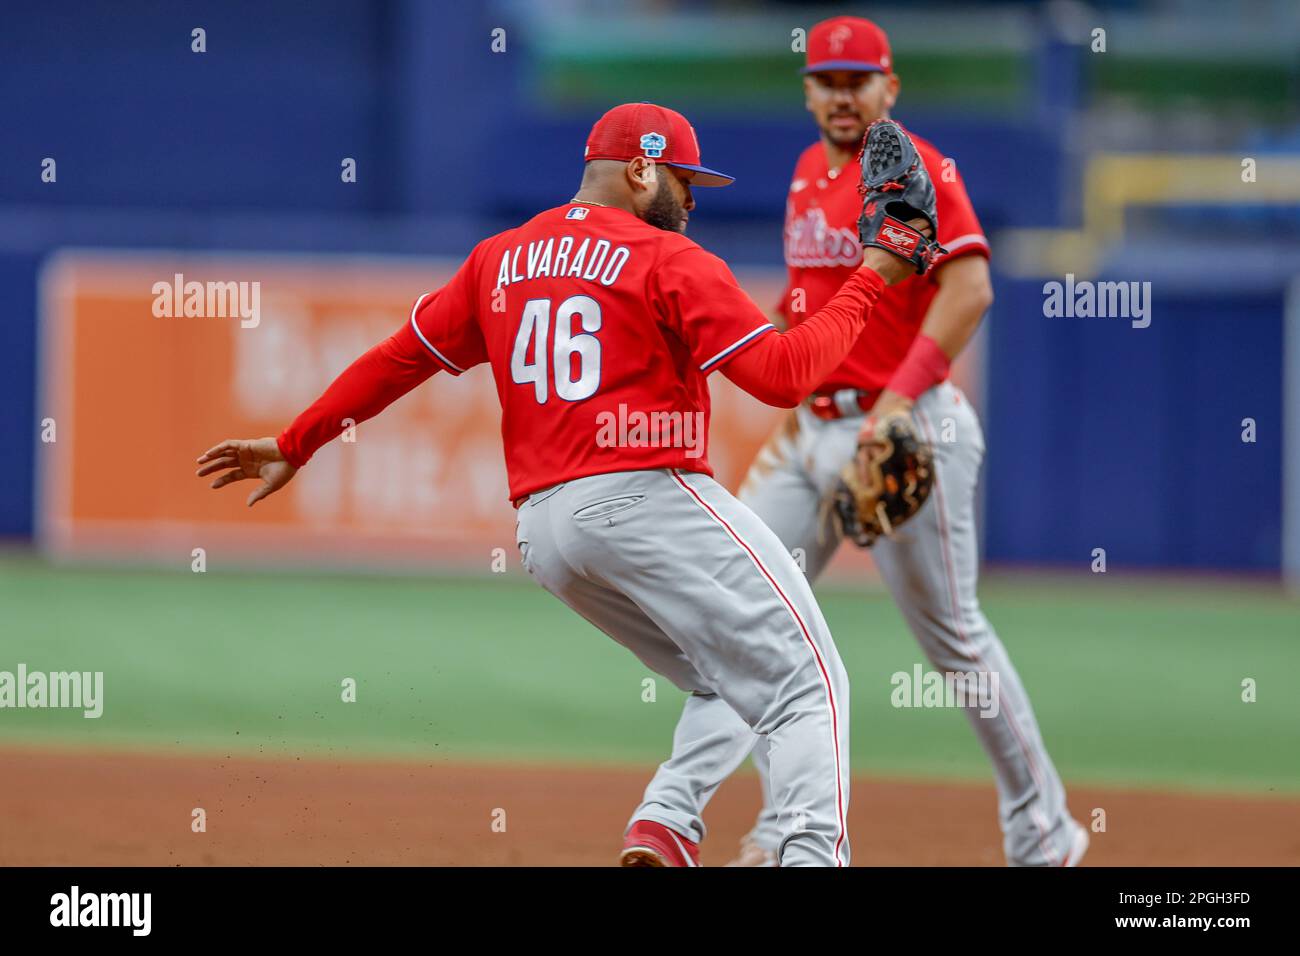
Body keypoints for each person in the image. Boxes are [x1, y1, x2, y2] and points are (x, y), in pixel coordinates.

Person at [196, 102, 934, 867]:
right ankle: (812, 858)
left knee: (732, 674)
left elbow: (398, 357)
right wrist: (877, 269)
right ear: (642, 168)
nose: (692, 200)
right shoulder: (666, 259)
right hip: (644, 496)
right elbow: (784, 377)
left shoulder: (499, 259)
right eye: (684, 181)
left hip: (547, 533)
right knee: (811, 684)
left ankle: (666, 824)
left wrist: (296, 441)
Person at [711, 16, 1087, 867]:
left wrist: (891, 405)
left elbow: (971, 287)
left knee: (951, 639)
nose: (842, 95)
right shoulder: (809, 172)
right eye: (826, 80)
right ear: (806, 90)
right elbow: (805, 307)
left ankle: (1044, 831)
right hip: (812, 426)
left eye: (858, 80)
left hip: (907, 427)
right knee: (752, 614)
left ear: (890, 87)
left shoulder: (920, 168)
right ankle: (787, 832)